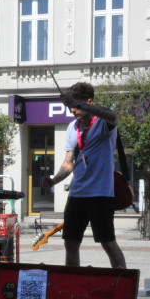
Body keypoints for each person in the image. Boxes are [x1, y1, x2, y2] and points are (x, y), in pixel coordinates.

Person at [41, 82, 126, 269]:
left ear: (88, 101)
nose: (73, 110)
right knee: (70, 243)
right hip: (77, 194)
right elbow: (68, 162)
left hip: (101, 194)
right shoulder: (73, 127)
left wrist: (78, 104)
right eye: (71, 106)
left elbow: (113, 116)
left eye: (76, 105)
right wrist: (53, 180)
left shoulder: (103, 123)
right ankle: (72, 286)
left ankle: (123, 288)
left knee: (108, 243)